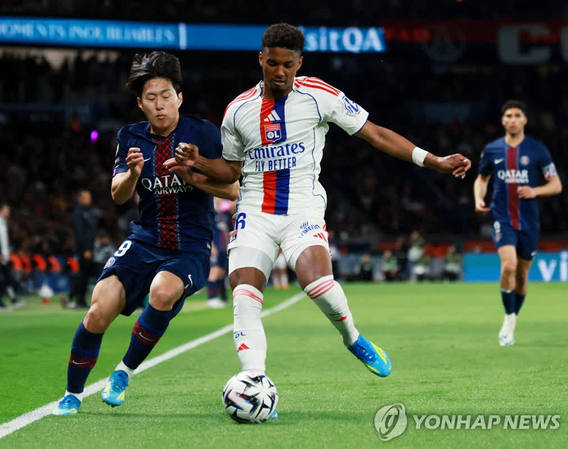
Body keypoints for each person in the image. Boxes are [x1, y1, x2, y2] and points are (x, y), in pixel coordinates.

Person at [167, 23, 470, 382]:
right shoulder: (238, 110)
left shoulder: (318, 95)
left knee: (317, 285)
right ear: (261, 59)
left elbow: (375, 134)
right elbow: (232, 169)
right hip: (254, 211)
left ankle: (352, 338)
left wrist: (432, 160)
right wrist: (199, 163)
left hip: (302, 209)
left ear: (299, 63)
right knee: (244, 294)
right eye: (273, 63)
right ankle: (254, 381)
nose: (280, 72)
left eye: (288, 64)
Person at [53, 51, 238, 415]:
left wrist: (192, 175)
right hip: (145, 239)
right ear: (140, 103)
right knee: (98, 310)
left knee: (162, 290)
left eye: (166, 95)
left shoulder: (202, 133)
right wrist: (134, 175)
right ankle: (72, 394)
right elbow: (118, 194)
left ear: (179, 97)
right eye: (151, 98)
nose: (159, 104)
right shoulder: (130, 136)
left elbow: (232, 190)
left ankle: (123, 372)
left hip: (190, 245)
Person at [473, 99, 561, 346]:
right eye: (508, 116)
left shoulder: (537, 150)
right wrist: (479, 198)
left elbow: (556, 185)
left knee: (522, 275)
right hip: (502, 217)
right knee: (509, 266)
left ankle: (512, 317)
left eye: (517, 115)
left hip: (529, 222)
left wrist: (535, 191)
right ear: (503, 121)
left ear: (525, 120)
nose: (512, 120)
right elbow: (482, 179)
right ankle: (508, 320)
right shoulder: (492, 149)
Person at [69, 189, 98, 308]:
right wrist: (86, 249)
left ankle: (77, 297)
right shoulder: (78, 212)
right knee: (82, 274)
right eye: (86, 197)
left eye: (89, 197)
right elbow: (79, 232)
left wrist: (92, 248)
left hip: (90, 248)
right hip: (83, 249)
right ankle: (78, 299)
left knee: (86, 275)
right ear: (80, 198)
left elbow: (91, 232)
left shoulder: (89, 211)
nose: (89, 199)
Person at [0, 203, 24, 308]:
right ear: (0, 210)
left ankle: (12, 299)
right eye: (6, 210)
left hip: (5, 256)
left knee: (7, 278)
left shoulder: (3, 222)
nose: (8, 213)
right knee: (0, 278)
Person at [207, 197, 234, 308]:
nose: (219, 200)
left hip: (224, 246)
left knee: (221, 272)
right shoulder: (211, 214)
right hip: (216, 246)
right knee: (214, 271)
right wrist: (212, 246)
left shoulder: (224, 214)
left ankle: (218, 297)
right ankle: (211, 298)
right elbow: (209, 231)